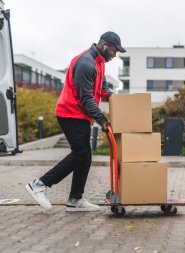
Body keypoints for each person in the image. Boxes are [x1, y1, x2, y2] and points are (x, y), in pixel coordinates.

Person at [25, 31, 126, 212]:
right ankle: (39, 184)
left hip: (81, 115)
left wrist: (113, 97)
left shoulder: (100, 62)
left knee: (85, 156)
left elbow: (101, 86)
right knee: (80, 153)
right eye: (114, 51)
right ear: (104, 46)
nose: (115, 55)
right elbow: (86, 98)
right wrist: (102, 120)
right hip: (70, 113)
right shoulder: (86, 63)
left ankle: (75, 200)